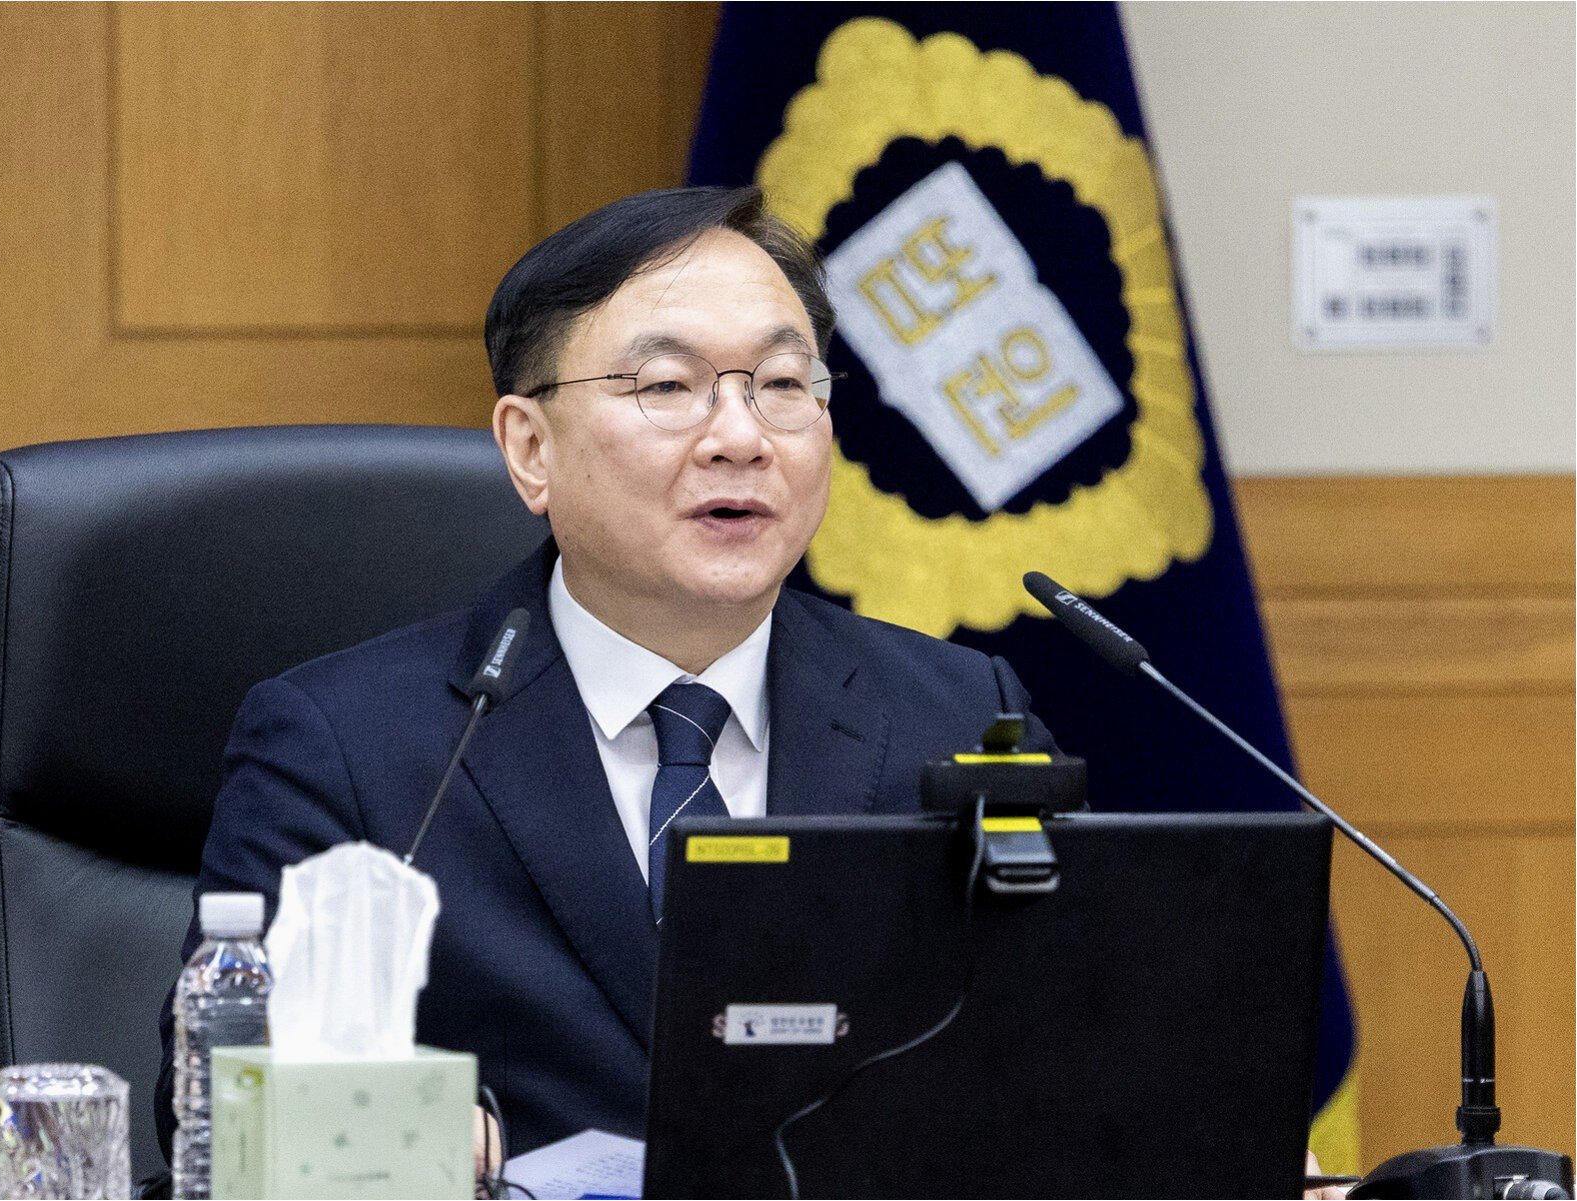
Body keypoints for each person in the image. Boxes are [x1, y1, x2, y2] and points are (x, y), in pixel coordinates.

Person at [154, 186, 1052, 1168]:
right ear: (530, 448)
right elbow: (218, 1108)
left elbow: (1078, 1056)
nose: (740, 435)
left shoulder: (957, 714)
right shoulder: (349, 747)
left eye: (783, 383)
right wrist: (400, 1135)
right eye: (667, 385)